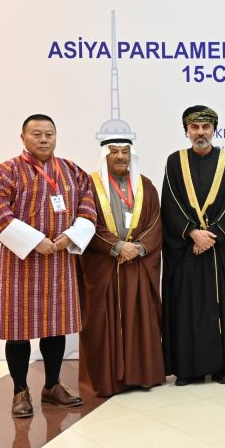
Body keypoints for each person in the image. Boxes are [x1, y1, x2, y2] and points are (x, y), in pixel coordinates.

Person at [0, 114, 97, 417]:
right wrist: (35, 241)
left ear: (56, 137)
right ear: (23, 137)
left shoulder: (72, 171)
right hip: (20, 264)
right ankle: (20, 390)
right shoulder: (6, 171)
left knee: (56, 326)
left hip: (60, 259)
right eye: (36, 134)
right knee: (18, 329)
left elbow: (88, 207)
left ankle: (52, 385)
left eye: (49, 134)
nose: (44, 139)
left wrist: (71, 236)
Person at [161, 106, 225, 385]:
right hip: (186, 249)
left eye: (205, 127)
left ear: (214, 129)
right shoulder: (175, 161)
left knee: (221, 308)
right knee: (186, 308)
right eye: (195, 128)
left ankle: (223, 368)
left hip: (219, 250)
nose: (200, 133)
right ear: (186, 131)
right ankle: (188, 369)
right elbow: (170, 202)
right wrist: (191, 233)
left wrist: (211, 235)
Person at [80, 137, 165, 397]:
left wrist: (138, 248)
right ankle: (108, 380)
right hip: (106, 265)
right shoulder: (89, 186)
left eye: (125, 152)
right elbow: (85, 222)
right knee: (103, 323)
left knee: (141, 319)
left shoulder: (145, 185)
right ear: (104, 156)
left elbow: (156, 222)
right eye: (114, 152)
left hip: (137, 266)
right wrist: (116, 246)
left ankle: (143, 375)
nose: (120, 156)